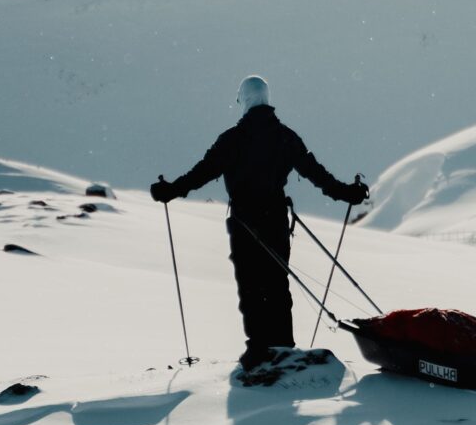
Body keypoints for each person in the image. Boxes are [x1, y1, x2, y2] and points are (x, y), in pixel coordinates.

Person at [150, 75, 368, 374]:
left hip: (244, 221)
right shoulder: (285, 137)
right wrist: (348, 193)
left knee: (251, 286)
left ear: (244, 99)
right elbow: (317, 174)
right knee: (277, 284)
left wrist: (169, 191)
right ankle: (284, 349)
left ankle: (260, 352)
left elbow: (201, 173)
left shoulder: (232, 140)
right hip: (275, 219)